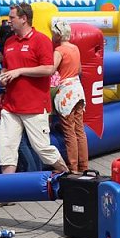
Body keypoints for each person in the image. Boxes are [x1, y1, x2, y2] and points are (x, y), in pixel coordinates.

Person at [0, 3, 68, 175]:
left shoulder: (41, 40)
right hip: (11, 106)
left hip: (34, 106)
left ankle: (67, 174)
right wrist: (2, 77)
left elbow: (48, 69)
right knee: (6, 148)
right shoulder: (10, 42)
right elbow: (6, 67)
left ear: (24, 19)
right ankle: (6, 188)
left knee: (42, 148)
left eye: (12, 17)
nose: (8, 21)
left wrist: (20, 71)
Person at [51, 20, 88, 173]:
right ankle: (84, 166)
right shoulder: (75, 48)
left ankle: (73, 168)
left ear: (58, 34)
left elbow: (51, 69)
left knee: (69, 132)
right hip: (78, 90)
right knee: (80, 130)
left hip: (66, 92)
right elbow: (79, 70)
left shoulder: (59, 51)